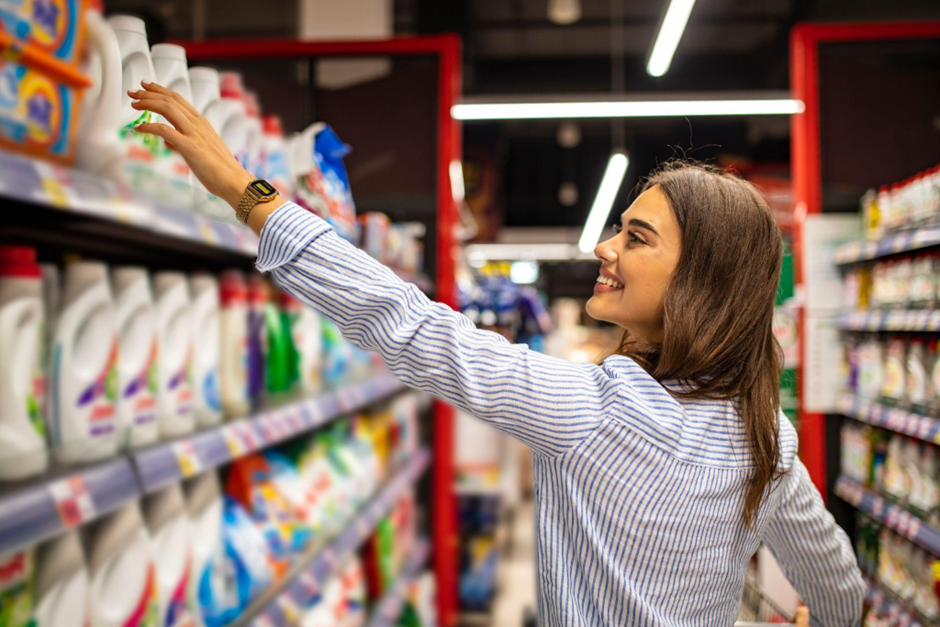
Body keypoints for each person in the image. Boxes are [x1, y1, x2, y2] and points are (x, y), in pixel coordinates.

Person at [129, 81, 865, 627]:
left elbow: (408, 323)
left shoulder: (594, 411)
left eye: (636, 238)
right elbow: (837, 581)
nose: (604, 247)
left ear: (699, 282)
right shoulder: (766, 437)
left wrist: (245, 190)